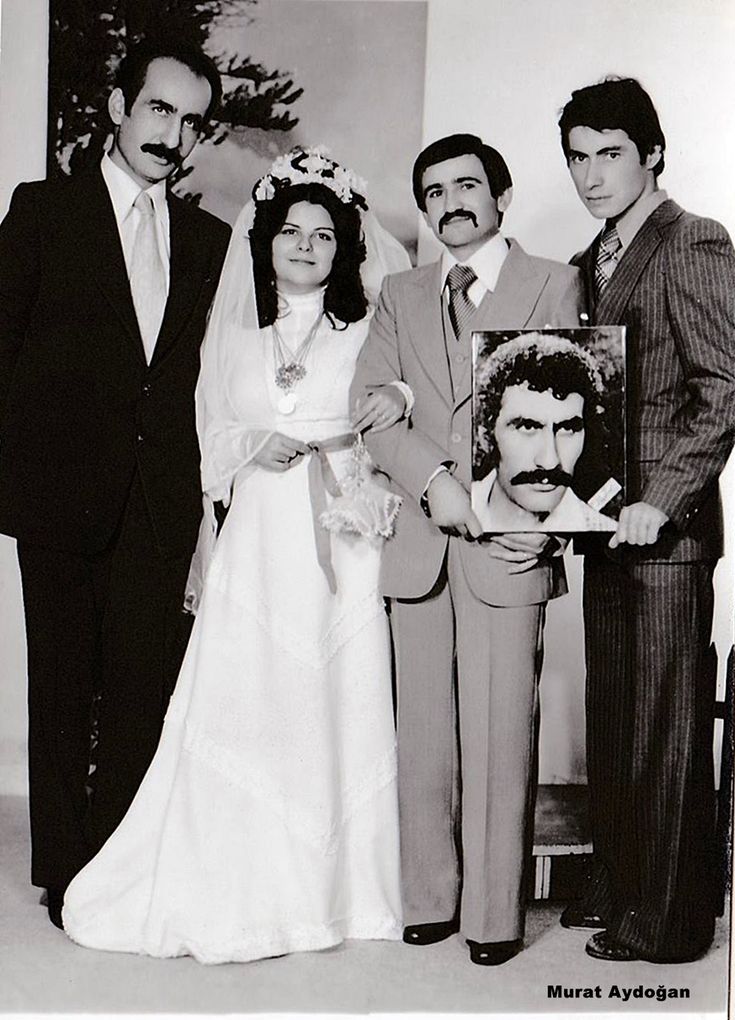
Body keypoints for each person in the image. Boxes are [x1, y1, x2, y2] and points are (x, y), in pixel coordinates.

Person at [62, 148, 411, 964]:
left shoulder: (366, 332)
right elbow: (205, 432)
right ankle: (239, 875)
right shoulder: (234, 336)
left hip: (337, 537)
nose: (304, 246)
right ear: (266, 241)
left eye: (323, 235)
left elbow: (403, 400)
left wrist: (392, 398)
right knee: (252, 694)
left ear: (344, 248)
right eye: (290, 231)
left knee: (332, 696)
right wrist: (254, 441)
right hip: (257, 532)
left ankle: (342, 891)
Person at [0, 40, 230, 928]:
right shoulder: (44, 212)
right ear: (117, 106)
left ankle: (115, 864)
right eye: (159, 110)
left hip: (158, 499)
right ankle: (63, 869)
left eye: (190, 121)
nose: (172, 135)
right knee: (61, 685)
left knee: (142, 688)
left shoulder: (209, 242)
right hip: (59, 493)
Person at [350, 133, 583, 965]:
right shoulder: (401, 294)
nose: (451, 201)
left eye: (467, 185)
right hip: (420, 544)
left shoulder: (553, 282)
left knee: (498, 738)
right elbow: (370, 407)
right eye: (434, 190)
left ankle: (492, 916)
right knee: (424, 738)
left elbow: (574, 407)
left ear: (503, 195)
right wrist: (433, 484)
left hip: (513, 544)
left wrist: (520, 513)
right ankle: (428, 901)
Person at [557, 77, 735, 963]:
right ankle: (625, 890)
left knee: (664, 730)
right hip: (604, 532)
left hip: (666, 538)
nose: (591, 176)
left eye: (610, 155)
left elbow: (723, 392)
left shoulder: (692, 240)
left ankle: (666, 929)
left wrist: (662, 501)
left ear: (652, 152)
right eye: (578, 158)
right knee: (619, 723)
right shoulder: (597, 254)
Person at [471, 332, 617, 532]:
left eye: (567, 429)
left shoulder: (603, 532)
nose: (550, 461)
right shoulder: (457, 505)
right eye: (528, 427)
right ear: (486, 436)